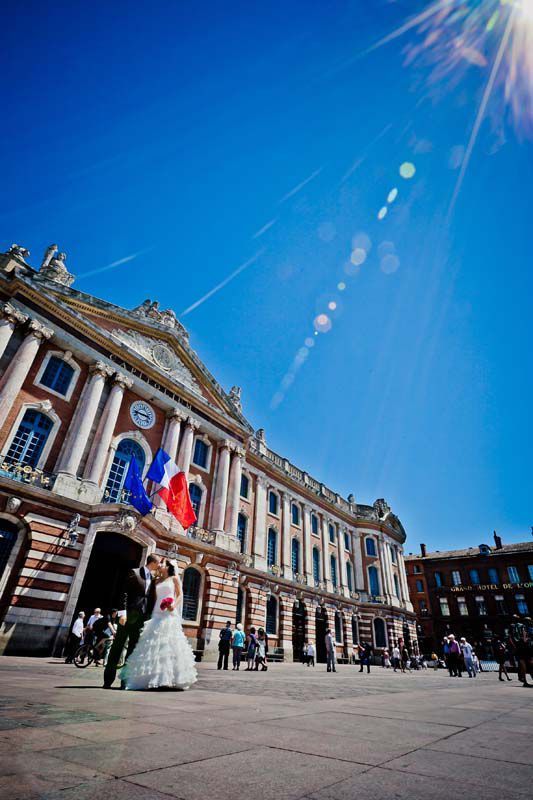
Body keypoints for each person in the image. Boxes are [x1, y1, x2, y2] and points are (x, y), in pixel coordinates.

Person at [121, 559, 198, 690]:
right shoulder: (156, 580)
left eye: (162, 563)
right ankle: (150, 678)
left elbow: (180, 595)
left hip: (168, 614)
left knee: (168, 646)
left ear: (168, 567)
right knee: (151, 646)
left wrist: (173, 605)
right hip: (156, 614)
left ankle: (169, 678)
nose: (160, 565)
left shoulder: (174, 579)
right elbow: (152, 599)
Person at [103, 554, 159, 689]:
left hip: (141, 619)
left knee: (132, 651)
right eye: (158, 563)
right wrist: (123, 613)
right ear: (153, 563)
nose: (159, 566)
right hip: (127, 617)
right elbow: (124, 593)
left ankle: (125, 681)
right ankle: (108, 680)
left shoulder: (152, 578)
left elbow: (149, 599)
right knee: (117, 647)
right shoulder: (134, 573)